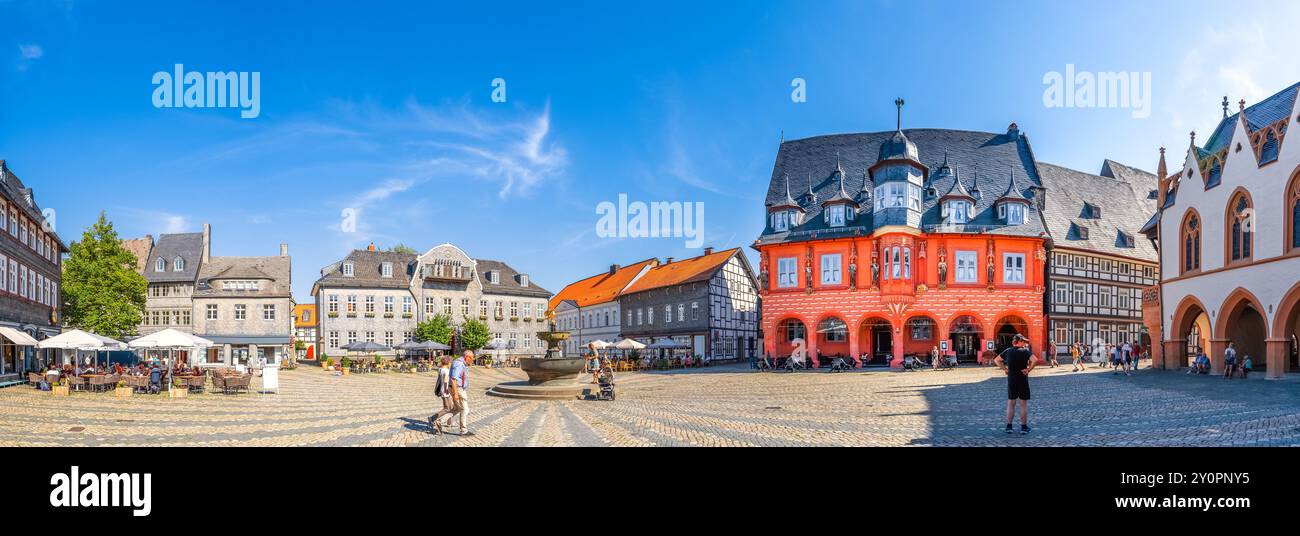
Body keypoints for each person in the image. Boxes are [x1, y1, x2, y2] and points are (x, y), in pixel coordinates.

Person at [995, 334, 1035, 435]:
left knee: (1011, 403)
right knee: (1023, 404)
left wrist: (1005, 369)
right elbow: (1035, 360)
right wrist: (1028, 369)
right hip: (1022, 380)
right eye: (1024, 342)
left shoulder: (1008, 351)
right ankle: (1024, 427)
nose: (1025, 343)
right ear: (1020, 341)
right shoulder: (1025, 351)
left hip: (1012, 380)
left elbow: (997, 360)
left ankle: (1009, 427)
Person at [446, 350, 475, 436]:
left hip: (459, 388)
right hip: (458, 389)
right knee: (465, 409)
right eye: (472, 358)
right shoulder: (459, 364)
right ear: (467, 357)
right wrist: (455, 394)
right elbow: (453, 379)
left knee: (457, 409)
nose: (472, 360)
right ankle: (463, 430)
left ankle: (439, 421)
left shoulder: (462, 363)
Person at [428, 356, 455, 435]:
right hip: (445, 391)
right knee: (448, 408)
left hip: (442, 390)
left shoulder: (440, 369)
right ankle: (432, 418)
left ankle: (449, 423)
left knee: (450, 407)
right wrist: (447, 391)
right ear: (448, 363)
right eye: (450, 363)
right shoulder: (446, 371)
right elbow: (446, 381)